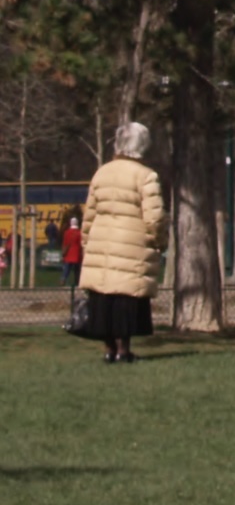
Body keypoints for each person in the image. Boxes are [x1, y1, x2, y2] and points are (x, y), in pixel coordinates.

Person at [76, 123, 167, 364]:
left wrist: (87, 242)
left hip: (102, 243)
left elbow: (90, 215)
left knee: (103, 298)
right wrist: (160, 240)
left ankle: (108, 349)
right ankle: (124, 350)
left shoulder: (101, 173)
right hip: (132, 244)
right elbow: (154, 217)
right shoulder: (146, 176)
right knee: (127, 298)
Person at [60, 216, 83, 287]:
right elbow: (80, 244)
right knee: (77, 270)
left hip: (68, 254)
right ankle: (77, 282)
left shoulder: (67, 233)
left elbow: (65, 243)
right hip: (76, 254)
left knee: (67, 269)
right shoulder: (79, 233)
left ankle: (63, 279)